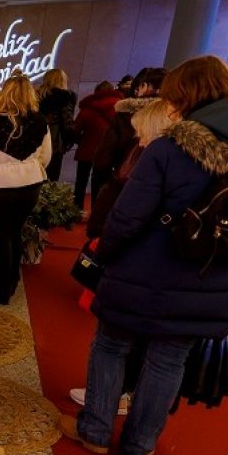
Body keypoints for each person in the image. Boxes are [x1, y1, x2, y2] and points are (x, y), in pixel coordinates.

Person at [62, 55, 228, 455]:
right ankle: (138, 446)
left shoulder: (171, 148)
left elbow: (128, 216)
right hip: (214, 275)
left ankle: (95, 430)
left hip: (145, 270)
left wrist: (104, 256)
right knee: (169, 359)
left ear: (187, 97)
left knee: (112, 345)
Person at [70, 100, 175, 416]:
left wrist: (106, 246)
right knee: (136, 344)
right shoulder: (167, 162)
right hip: (145, 265)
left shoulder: (154, 164)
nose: (139, 140)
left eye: (142, 134)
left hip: (134, 264)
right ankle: (121, 402)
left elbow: (130, 217)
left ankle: (105, 407)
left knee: (115, 341)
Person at [0, 75, 52, 305]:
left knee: (3, 236)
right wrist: (27, 167)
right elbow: (46, 157)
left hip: (4, 185)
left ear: (5, 94)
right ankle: (12, 281)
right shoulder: (40, 122)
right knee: (16, 232)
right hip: (31, 183)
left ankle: (1, 291)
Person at [92, 67, 166, 200]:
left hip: (124, 183)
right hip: (159, 191)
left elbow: (103, 157)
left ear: (144, 86)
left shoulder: (126, 114)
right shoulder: (177, 116)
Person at [72, 81, 124, 212]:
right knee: (100, 184)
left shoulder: (87, 108)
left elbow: (75, 129)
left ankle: (76, 209)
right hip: (107, 153)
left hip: (86, 150)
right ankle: (96, 211)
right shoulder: (119, 109)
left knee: (81, 183)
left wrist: (81, 140)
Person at [37, 68, 78, 181]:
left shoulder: (37, 95)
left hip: (36, 140)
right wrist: (73, 138)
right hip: (55, 141)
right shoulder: (66, 97)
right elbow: (67, 121)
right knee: (52, 178)